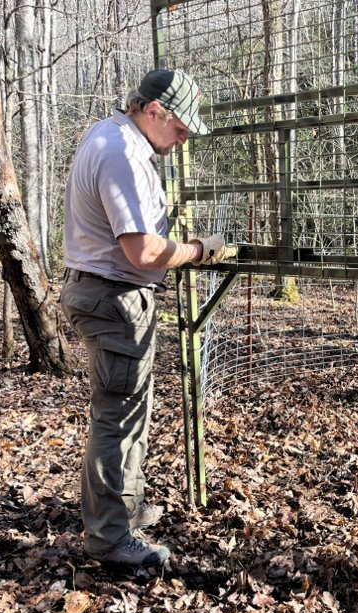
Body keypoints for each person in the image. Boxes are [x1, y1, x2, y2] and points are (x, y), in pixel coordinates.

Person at [59, 69, 234, 567]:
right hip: (114, 297)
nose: (182, 140)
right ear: (153, 112)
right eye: (180, 129)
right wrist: (199, 250)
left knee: (129, 409)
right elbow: (143, 250)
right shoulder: (122, 154)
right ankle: (111, 539)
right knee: (116, 420)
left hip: (108, 295)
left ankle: (125, 509)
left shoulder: (111, 135)